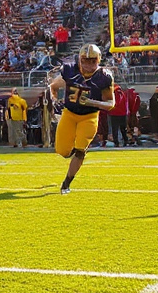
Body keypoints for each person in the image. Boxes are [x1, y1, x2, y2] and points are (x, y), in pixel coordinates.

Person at [46, 44, 115, 194]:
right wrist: (53, 100)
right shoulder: (70, 70)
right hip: (69, 114)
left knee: (80, 150)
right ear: (79, 59)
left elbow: (110, 103)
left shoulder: (104, 76)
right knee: (62, 151)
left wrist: (91, 102)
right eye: (86, 61)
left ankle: (66, 183)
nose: (89, 65)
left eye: (93, 61)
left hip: (90, 116)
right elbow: (53, 86)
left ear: (99, 60)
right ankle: (75, 151)